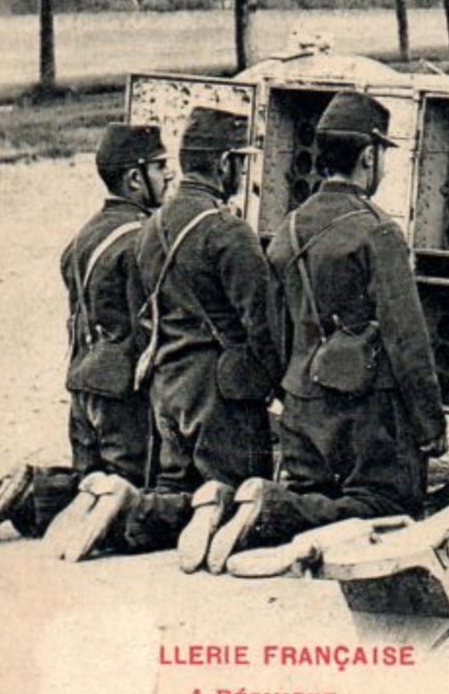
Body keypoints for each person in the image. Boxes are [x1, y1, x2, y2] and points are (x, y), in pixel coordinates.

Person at [204, 93, 448, 577]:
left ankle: (239, 506)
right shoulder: (378, 233)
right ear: (369, 156)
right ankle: (273, 510)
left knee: (317, 493)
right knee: (387, 506)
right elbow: (408, 342)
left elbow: (271, 332)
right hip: (366, 417)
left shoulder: (286, 230)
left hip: (301, 409)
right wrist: (429, 426)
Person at [51, 107, 281, 568]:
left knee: (178, 491)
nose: (242, 172)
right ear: (223, 165)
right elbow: (263, 322)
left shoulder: (150, 228)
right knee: (239, 499)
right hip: (220, 395)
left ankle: (125, 503)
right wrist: (273, 385)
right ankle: (136, 506)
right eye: (240, 163)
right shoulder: (228, 230)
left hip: (167, 389)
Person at [0, 124, 170, 549]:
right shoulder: (141, 238)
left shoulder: (82, 237)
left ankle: (33, 491)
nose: (170, 177)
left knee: (92, 481)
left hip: (82, 381)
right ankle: (35, 489)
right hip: (121, 391)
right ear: (134, 178)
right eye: (161, 168)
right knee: (126, 493)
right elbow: (149, 326)